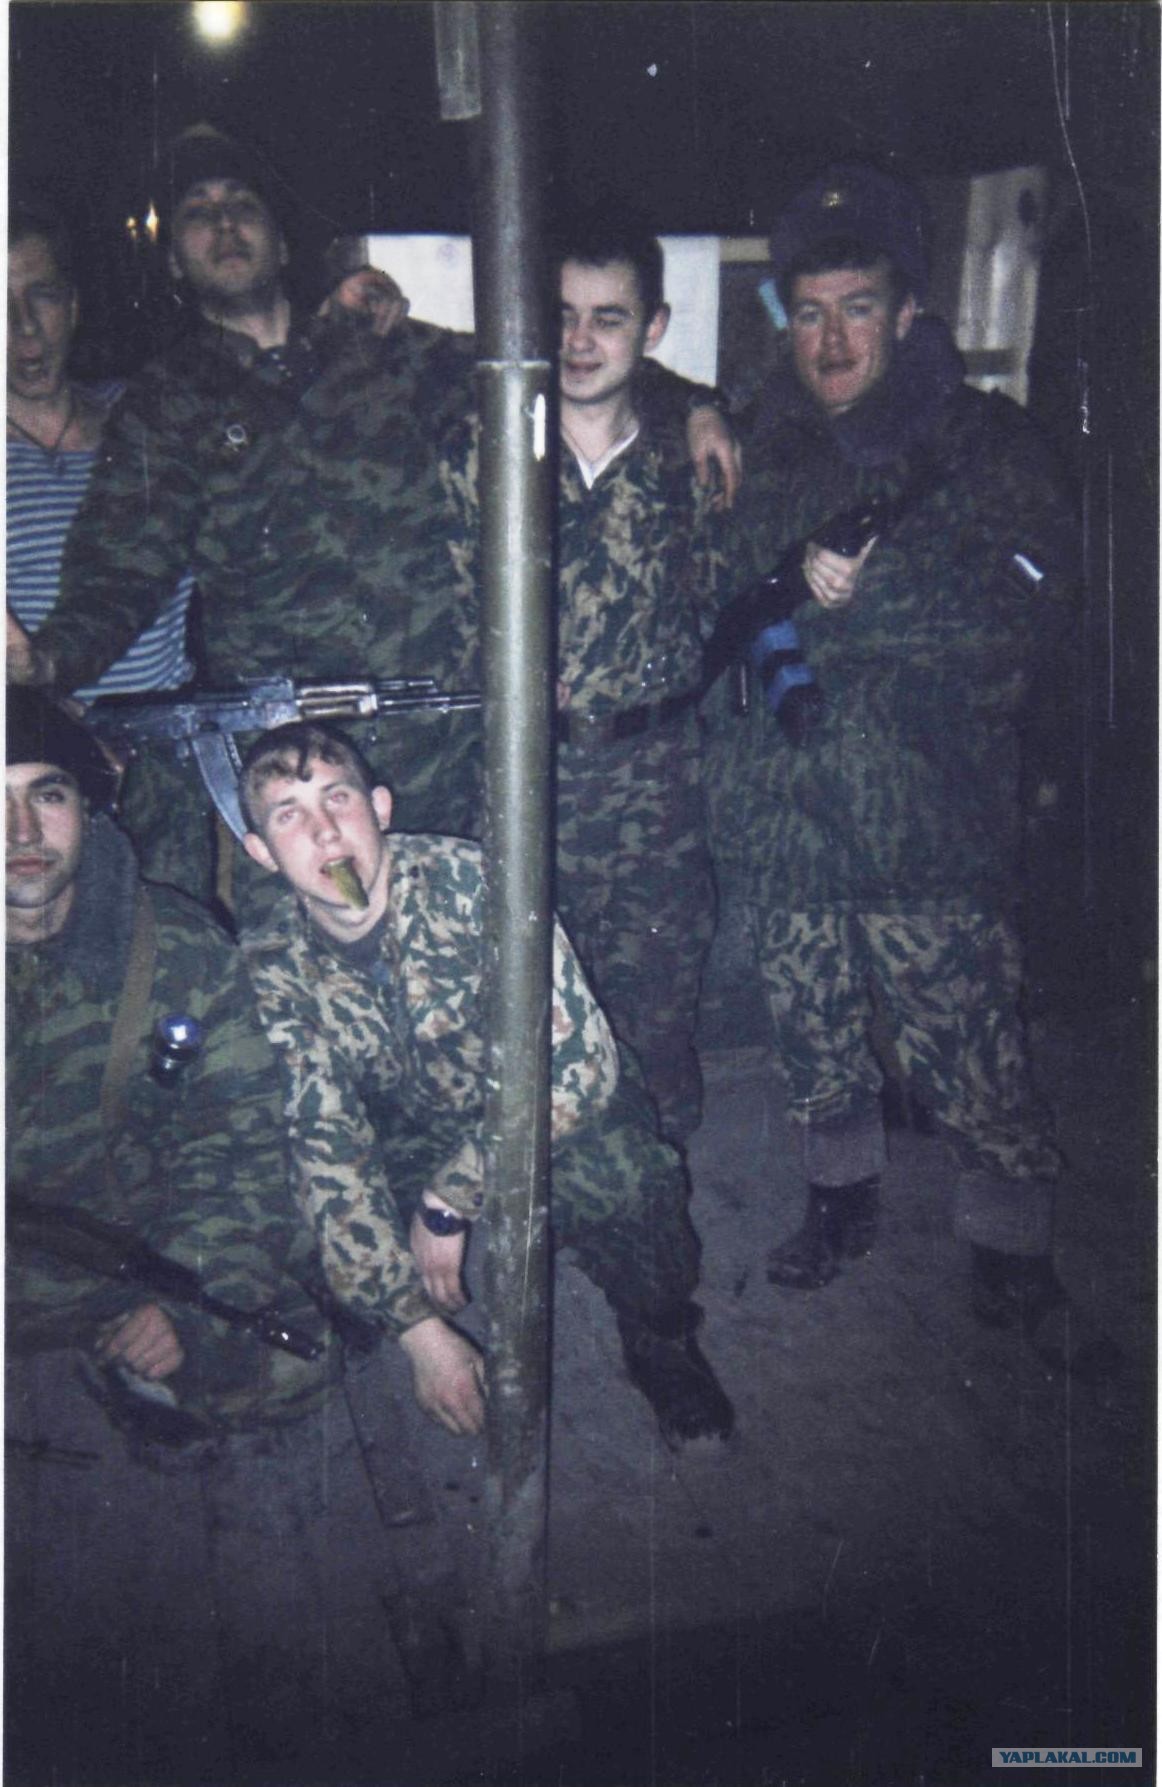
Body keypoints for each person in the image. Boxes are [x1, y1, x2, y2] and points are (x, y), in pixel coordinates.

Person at [10, 126, 738, 914]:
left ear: (283, 240)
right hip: (297, 770)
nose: (223, 224)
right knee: (309, 965)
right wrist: (44, 661)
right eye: (197, 211)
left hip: (443, 754)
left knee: (455, 948)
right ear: (174, 262)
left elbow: (564, 370)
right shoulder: (164, 403)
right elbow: (118, 572)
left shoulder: (395, 352)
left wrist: (694, 404)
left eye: (242, 204)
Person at [707, 162, 1110, 1374]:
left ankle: (1011, 1254)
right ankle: (839, 1199)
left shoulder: (983, 443)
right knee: (811, 1029)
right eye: (809, 311)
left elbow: (1036, 595)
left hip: (924, 814)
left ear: (908, 312)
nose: (832, 339)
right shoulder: (758, 441)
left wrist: (861, 607)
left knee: (969, 1045)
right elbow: (713, 590)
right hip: (787, 811)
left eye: (859, 307)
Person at [236, 719, 735, 1448]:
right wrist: (417, 1330)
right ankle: (383, 1305)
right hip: (408, 1123)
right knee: (297, 1213)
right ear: (260, 852)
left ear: (380, 807)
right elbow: (323, 1142)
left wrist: (451, 1199)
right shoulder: (272, 962)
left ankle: (660, 1337)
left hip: (540, 1102)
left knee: (632, 1179)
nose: (325, 832)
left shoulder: (476, 883)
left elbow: (579, 1067)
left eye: (338, 798)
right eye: (289, 815)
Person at [441, 208, 726, 1144]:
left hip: (658, 786)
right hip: (528, 781)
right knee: (524, 1011)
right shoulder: (483, 453)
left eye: (609, 318)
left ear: (653, 327)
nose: (579, 340)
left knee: (657, 1019)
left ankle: (658, 1204)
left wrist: (698, 403)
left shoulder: (695, 459)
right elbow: (441, 604)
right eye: (560, 315)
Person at [5, 687, 338, 1445]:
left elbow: (242, 1143)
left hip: (119, 1252)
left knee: (294, 1362)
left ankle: (127, 1356)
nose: (22, 829)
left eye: (47, 794)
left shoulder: (175, 948)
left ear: (88, 807)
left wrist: (181, 1295)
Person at [6, 199, 204, 893]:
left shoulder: (150, 421)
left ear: (74, 305)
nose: (23, 327)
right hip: (30, 785)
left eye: (41, 296)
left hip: (167, 771)